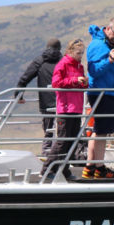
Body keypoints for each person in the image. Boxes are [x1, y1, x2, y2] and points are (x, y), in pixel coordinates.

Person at [84, 17, 114, 179]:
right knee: (101, 132)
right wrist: (109, 60)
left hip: (108, 93)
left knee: (99, 131)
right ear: (108, 29)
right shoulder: (98, 45)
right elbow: (93, 70)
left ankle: (91, 167)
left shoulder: (110, 43)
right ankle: (98, 167)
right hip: (101, 93)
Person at [41, 39, 88, 181]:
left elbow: (79, 85)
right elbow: (56, 83)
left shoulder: (79, 67)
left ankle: (64, 169)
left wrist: (84, 83)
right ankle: (46, 169)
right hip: (65, 108)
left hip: (76, 107)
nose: (80, 56)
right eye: (78, 53)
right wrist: (74, 81)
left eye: (82, 53)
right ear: (70, 52)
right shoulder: (63, 64)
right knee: (62, 141)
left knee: (72, 141)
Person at [15, 38, 63, 156]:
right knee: (62, 131)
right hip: (62, 102)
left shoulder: (40, 61)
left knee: (48, 131)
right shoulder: (63, 60)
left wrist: (19, 95)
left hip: (46, 103)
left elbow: (25, 78)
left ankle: (46, 154)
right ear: (59, 48)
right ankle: (61, 156)